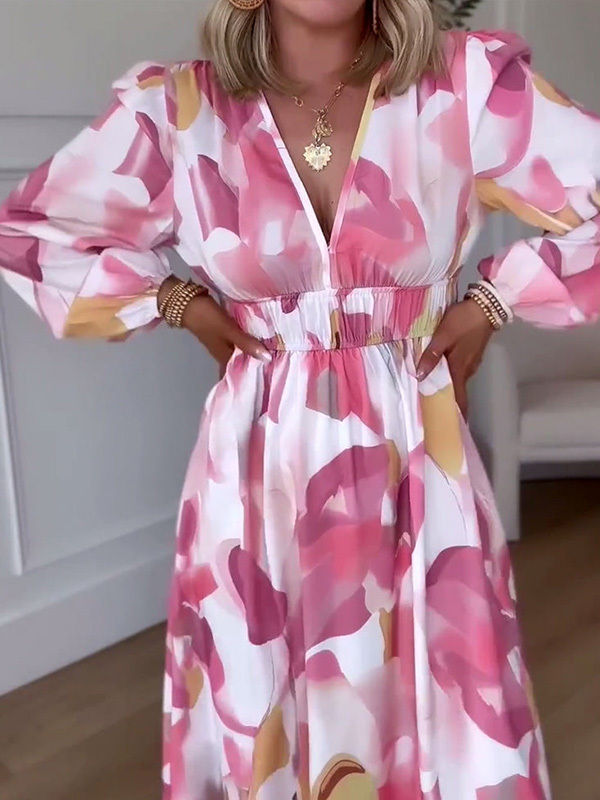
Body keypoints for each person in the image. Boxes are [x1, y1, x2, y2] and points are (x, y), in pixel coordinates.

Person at [0, 0, 599, 796]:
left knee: (433, 703)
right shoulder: (176, 111)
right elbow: (33, 230)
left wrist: (498, 299)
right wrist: (172, 300)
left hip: (417, 460)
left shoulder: (465, 84)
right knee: (265, 703)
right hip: (256, 472)